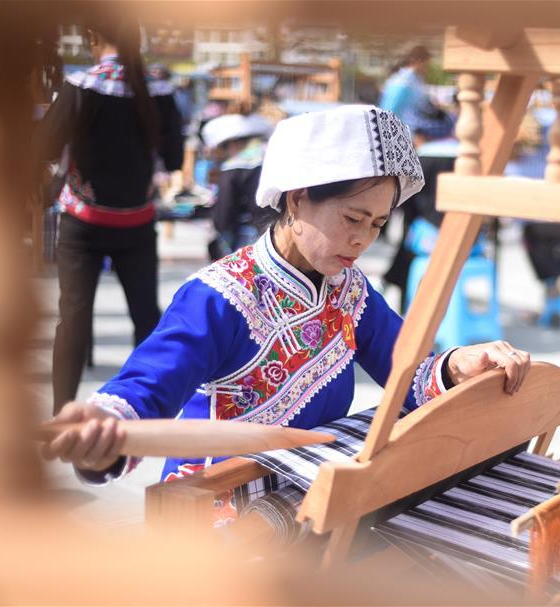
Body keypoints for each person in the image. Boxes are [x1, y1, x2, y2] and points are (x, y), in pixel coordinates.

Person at [42, 107, 533, 511]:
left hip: (313, 494)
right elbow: (143, 391)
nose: (363, 238)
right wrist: (102, 428)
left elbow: (410, 370)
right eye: (352, 217)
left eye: (379, 224)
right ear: (297, 200)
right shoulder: (220, 295)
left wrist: (458, 364)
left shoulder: (349, 292)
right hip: (219, 503)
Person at [37, 17, 184, 414]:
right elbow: (172, 159)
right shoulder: (160, 90)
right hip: (136, 223)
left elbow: (44, 146)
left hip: (82, 224)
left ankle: (62, 414)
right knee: (147, 319)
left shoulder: (81, 87)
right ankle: (151, 409)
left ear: (92, 38)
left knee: (73, 318)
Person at [201, 113, 277, 259]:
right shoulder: (272, 157)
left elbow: (224, 215)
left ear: (234, 143)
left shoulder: (234, 166)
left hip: (248, 238)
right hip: (276, 235)